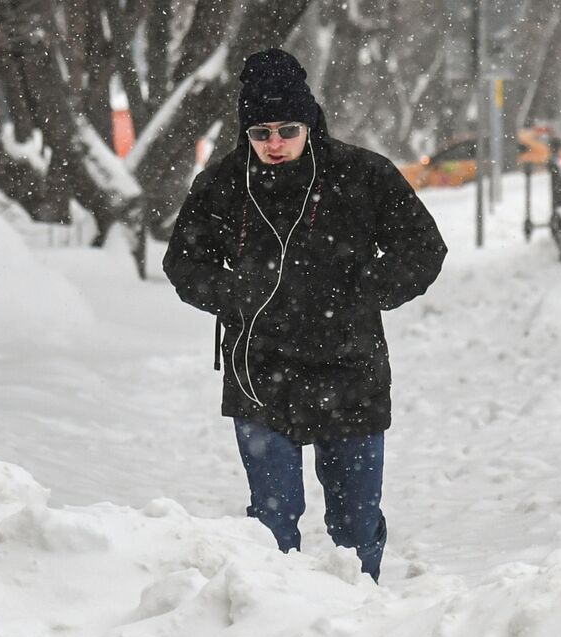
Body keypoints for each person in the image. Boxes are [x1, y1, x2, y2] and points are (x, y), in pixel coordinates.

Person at [162, 49, 447, 582]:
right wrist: (233, 293)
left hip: (350, 369)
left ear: (309, 123)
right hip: (258, 371)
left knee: (356, 523)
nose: (274, 144)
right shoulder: (224, 185)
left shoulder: (361, 175)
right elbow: (184, 261)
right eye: (260, 132)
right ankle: (273, 619)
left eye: (287, 129)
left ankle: (361, 614)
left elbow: (423, 247)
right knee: (271, 524)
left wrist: (365, 290)